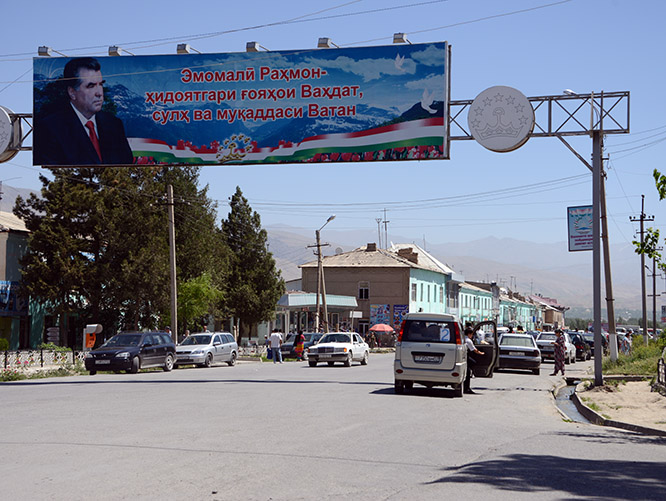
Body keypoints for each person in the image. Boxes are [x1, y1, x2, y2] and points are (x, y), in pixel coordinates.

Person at [33, 57, 134, 166]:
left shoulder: (114, 124)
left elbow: (127, 165)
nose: (99, 93)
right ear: (72, 92)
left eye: (100, 84)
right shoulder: (50, 129)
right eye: (91, 86)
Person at [464, 327, 484, 394]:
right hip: (465, 357)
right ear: (469, 334)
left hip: (462, 357)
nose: (472, 336)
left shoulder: (463, 339)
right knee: (470, 367)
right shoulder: (468, 341)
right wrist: (481, 353)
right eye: (472, 334)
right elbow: (474, 350)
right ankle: (466, 388)